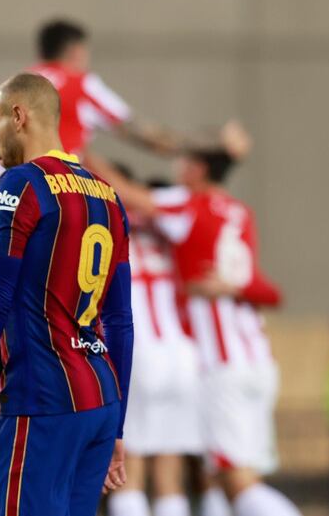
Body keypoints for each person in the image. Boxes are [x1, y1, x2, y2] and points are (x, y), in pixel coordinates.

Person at [0, 73, 134, 516]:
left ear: (19, 116)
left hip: (40, 399)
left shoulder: (19, 185)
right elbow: (120, 321)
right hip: (100, 402)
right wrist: (118, 424)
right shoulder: (109, 197)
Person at [87, 146, 301, 516]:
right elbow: (272, 291)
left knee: (143, 470)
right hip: (239, 360)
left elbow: (123, 191)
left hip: (200, 362)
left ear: (198, 169)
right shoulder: (238, 214)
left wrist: (79, 145)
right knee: (186, 472)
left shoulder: (183, 211)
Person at [108, 176, 203, 516]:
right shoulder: (174, 234)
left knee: (128, 472)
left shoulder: (105, 231)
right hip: (183, 358)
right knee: (170, 472)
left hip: (138, 356)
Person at [10, 19, 192, 156]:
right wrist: (199, 146)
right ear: (76, 51)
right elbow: (141, 133)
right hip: (46, 196)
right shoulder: (79, 84)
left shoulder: (10, 88)